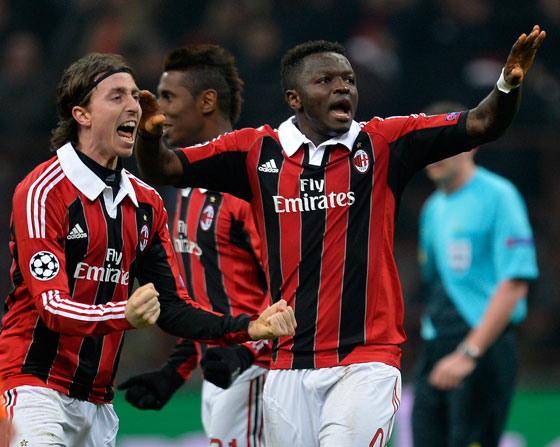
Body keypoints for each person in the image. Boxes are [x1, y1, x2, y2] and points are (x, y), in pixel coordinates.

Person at [134, 26, 545, 447]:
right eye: (325, 80)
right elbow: (163, 167)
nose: (342, 87)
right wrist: (148, 135)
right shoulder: (256, 151)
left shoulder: (384, 142)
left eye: (348, 79)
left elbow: (483, 122)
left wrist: (507, 84)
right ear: (294, 98)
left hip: (365, 360)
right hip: (287, 364)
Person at [0, 52, 296, 447]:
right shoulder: (42, 192)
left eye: (134, 96)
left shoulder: (146, 202)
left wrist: (246, 328)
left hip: (97, 402)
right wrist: (123, 313)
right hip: (33, 386)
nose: (134, 106)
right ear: (81, 114)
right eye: (116, 96)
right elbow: (52, 307)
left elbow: (173, 307)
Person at [118, 44, 271, 447]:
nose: (158, 110)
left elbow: (292, 290)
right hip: (221, 372)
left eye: (168, 97)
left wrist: (245, 353)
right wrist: (174, 371)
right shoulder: (187, 189)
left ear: (206, 102)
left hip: (260, 373)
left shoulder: (247, 187)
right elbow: (204, 302)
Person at [411, 101, 539, 447]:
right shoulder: (432, 208)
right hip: (436, 349)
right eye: (430, 144)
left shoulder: (500, 196)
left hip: (481, 351)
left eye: (445, 142)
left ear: (471, 144)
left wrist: (469, 353)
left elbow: (514, 285)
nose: (435, 153)